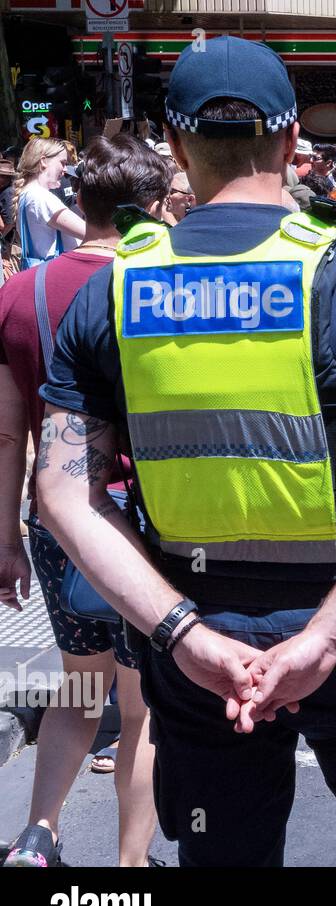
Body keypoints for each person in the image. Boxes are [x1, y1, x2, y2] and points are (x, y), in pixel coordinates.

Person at [31, 38, 336, 866]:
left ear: (173, 148)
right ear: (291, 142)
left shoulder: (113, 290)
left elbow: (63, 493)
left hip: (196, 631)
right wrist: (324, 641)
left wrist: (183, 634)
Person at [0, 135, 171, 868]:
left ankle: (37, 838)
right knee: (141, 712)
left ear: (81, 201)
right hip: (145, 519)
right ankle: (130, 872)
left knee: (77, 692)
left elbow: (8, 435)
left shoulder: (19, 294)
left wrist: (5, 537)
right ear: (154, 207)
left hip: (57, 516)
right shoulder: (160, 284)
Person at [13, 139, 85, 269]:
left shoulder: (26, 195)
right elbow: (89, 233)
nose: (64, 170)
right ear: (43, 161)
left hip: (38, 274)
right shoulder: (41, 198)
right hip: (54, 275)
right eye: (62, 163)